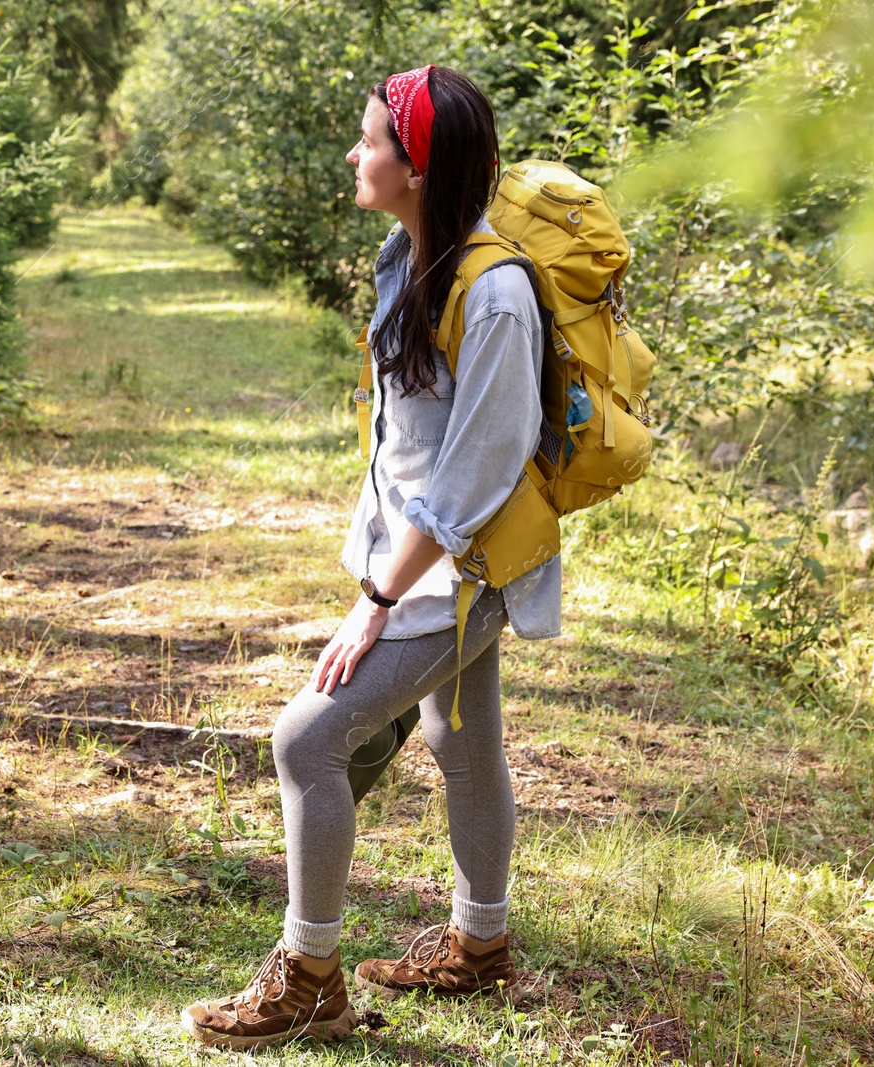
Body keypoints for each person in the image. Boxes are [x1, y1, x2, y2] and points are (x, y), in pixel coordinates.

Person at [180, 64, 561, 1051]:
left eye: (371, 143)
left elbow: (478, 467)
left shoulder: (499, 296)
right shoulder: (407, 253)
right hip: (419, 562)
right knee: (461, 736)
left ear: (417, 164)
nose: (355, 155)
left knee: (306, 739)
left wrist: (375, 598)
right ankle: (478, 946)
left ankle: (309, 976)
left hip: (455, 574)